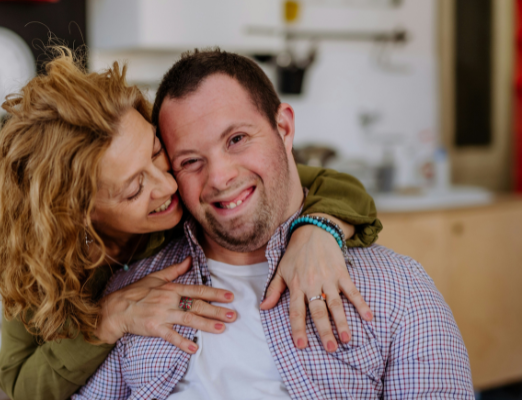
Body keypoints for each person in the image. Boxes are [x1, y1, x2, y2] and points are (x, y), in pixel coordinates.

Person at [0, 47, 382, 400]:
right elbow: (18, 385)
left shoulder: (191, 190)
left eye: (156, 152)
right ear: (78, 214)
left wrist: (318, 230)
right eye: (134, 189)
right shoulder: (39, 262)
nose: (168, 184)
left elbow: (331, 184)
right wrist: (106, 322)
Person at [73, 49, 474, 399]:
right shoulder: (134, 295)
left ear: (283, 127)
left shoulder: (398, 291)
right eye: (190, 161)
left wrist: (323, 227)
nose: (219, 177)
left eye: (237, 139)